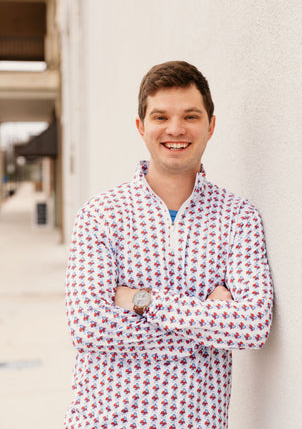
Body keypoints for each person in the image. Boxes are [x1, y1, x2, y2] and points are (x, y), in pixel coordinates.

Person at [64, 60, 273, 428]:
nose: (175, 129)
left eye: (190, 116)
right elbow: (87, 326)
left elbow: (252, 326)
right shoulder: (101, 214)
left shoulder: (239, 218)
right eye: (161, 117)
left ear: (210, 125)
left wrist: (142, 300)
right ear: (141, 126)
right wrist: (206, 327)